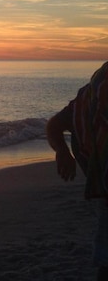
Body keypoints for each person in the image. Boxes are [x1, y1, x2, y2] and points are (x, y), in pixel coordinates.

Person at [47, 61, 108, 280]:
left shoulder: (90, 94)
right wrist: (62, 152)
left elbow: (55, 124)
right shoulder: (90, 96)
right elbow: (55, 124)